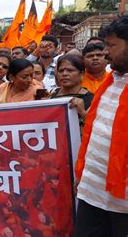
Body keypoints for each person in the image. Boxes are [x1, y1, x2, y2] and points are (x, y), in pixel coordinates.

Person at [74, 17, 128, 237]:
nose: (106, 52)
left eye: (112, 45)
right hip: (92, 191)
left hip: (123, 202)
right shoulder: (113, 80)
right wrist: (82, 173)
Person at [50, 54, 93, 125]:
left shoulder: (91, 100)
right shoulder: (52, 95)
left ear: (82, 74)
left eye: (70, 70)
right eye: (61, 71)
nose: (64, 74)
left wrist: (83, 113)